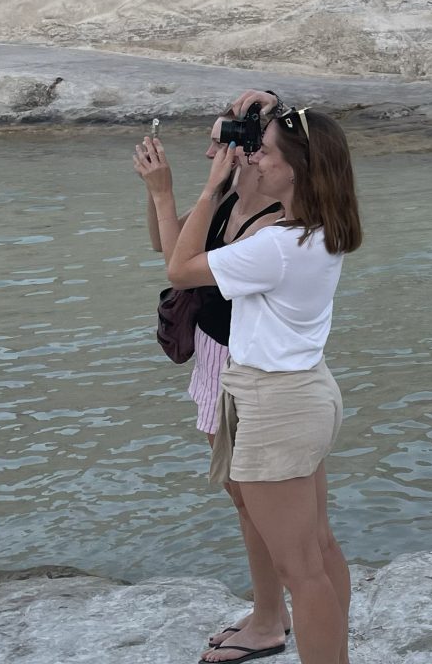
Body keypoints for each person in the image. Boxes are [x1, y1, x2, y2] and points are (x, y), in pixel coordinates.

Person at [167, 94, 362, 664]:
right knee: (319, 550)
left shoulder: (275, 247)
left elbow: (179, 269)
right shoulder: (322, 229)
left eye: (266, 154)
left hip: (276, 406)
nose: (254, 161)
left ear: (297, 170)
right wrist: (272, 111)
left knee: (299, 571)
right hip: (308, 391)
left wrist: (209, 189)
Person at [133, 113, 291, 661]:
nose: (214, 157)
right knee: (240, 495)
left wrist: (191, 190)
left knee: (254, 499)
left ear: (256, 156)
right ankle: (271, 608)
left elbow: (182, 269)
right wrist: (164, 192)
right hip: (213, 355)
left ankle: (270, 620)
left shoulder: (273, 223)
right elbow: (166, 245)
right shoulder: (231, 199)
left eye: (225, 148)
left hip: (244, 362)